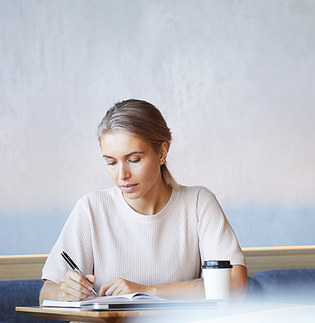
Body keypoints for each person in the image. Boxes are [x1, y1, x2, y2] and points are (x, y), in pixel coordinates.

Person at [39, 99, 248, 304]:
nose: (122, 175)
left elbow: (235, 284)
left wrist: (145, 292)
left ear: (162, 153)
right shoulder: (91, 208)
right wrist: (64, 292)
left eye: (134, 160)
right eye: (111, 162)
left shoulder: (198, 203)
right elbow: (45, 294)